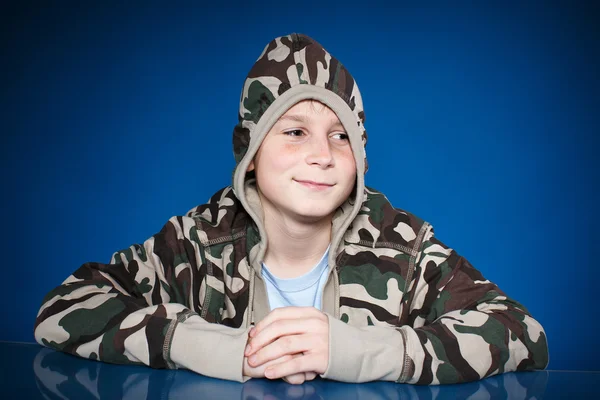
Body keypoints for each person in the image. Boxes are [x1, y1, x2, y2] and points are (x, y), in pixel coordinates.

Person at [34, 33, 549, 385]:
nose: (321, 155)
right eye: (294, 131)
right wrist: (208, 346)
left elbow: (522, 332)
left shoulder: (403, 245)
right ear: (251, 152)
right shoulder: (196, 243)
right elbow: (62, 308)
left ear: (360, 158)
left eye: (340, 136)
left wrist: (358, 351)